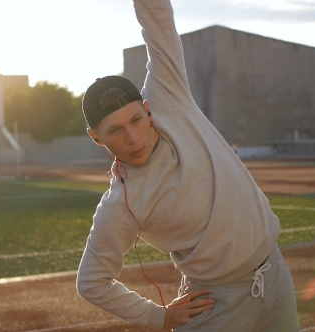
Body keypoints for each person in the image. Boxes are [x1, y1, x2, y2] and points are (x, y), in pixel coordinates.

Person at [76, 1, 299, 331]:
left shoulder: (169, 96)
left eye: (137, 119)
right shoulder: (122, 204)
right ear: (96, 137)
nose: (134, 138)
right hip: (216, 305)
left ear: (149, 109)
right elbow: (91, 282)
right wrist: (159, 316)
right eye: (116, 131)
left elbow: (158, 20)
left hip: (275, 277)